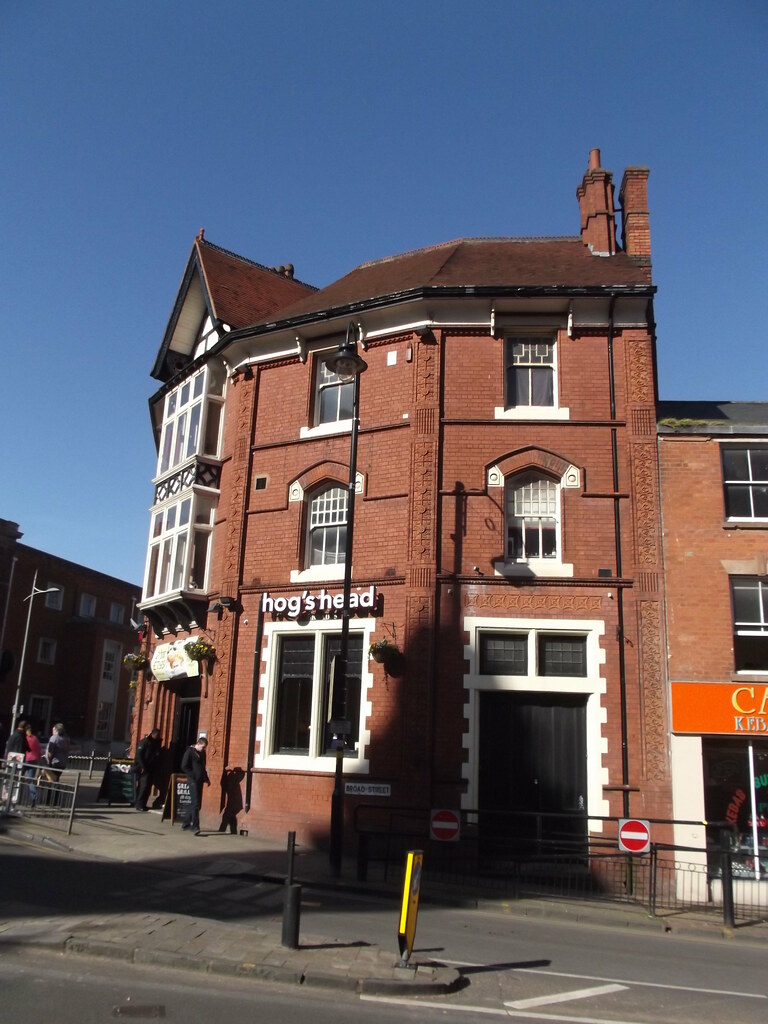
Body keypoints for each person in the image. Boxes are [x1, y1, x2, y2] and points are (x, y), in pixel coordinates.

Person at [180, 735, 210, 833]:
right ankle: (195, 827)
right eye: (203, 747)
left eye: (205, 748)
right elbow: (184, 766)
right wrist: (192, 775)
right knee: (196, 804)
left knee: (195, 804)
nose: (204, 749)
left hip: (199, 780)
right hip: (192, 780)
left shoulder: (202, 753)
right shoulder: (189, 752)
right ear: (198, 744)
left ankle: (185, 823)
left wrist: (206, 778)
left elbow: (202, 767)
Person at [133, 728, 161, 811]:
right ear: (152, 734)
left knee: (148, 786)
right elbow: (139, 755)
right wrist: (142, 767)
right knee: (143, 786)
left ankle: (143, 804)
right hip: (144, 767)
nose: (158, 736)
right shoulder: (145, 741)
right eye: (157, 735)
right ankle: (139, 804)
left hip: (151, 767)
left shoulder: (156, 742)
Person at [24, 723, 42, 806]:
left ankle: (12, 796)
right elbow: (39, 750)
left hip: (25, 759)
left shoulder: (25, 738)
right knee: (31, 780)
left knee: (15, 777)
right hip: (34, 760)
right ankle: (34, 797)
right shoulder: (35, 738)